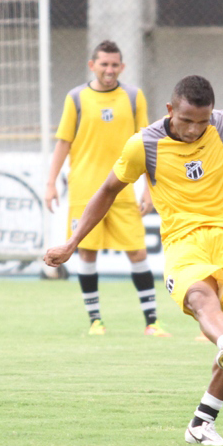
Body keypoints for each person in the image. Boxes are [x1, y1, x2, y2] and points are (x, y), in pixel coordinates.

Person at [43, 75, 223, 445]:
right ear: (171, 110)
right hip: (184, 242)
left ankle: (202, 423)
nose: (195, 129)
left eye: (202, 122)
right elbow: (106, 192)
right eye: (187, 121)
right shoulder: (144, 144)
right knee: (203, 299)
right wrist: (72, 243)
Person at [45, 40, 170, 337]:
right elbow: (63, 142)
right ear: (92, 65)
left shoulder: (133, 96)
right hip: (84, 188)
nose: (109, 70)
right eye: (104, 64)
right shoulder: (76, 97)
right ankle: (95, 321)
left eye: (115, 65)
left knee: (138, 252)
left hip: (123, 187)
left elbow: (147, 142)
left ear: (122, 67)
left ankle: (151, 322)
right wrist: (51, 183)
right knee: (86, 252)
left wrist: (149, 188)